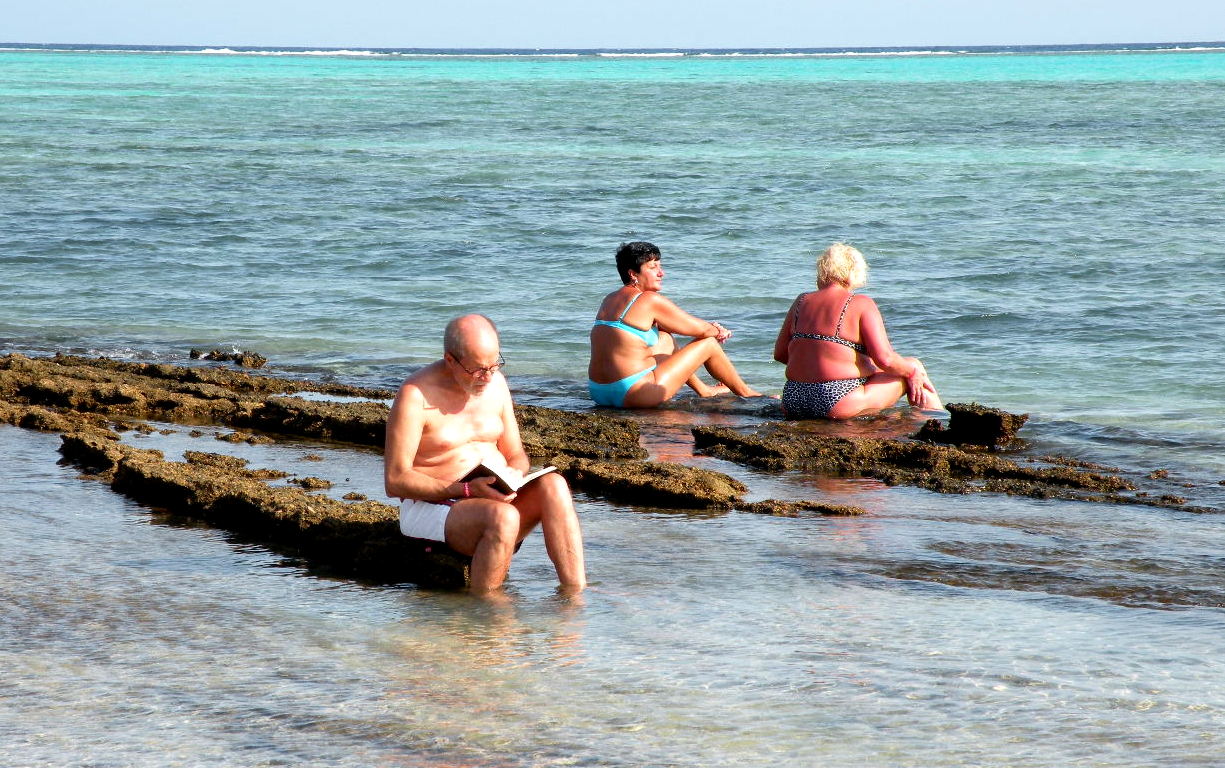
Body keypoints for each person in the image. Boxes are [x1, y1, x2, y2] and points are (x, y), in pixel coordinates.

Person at [384, 314, 586, 593]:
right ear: (451, 360)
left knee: (554, 485)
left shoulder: (496, 383)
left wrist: (514, 474)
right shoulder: (415, 395)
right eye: (478, 369)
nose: (488, 376)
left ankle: (575, 593)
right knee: (503, 517)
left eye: (494, 365)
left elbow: (515, 453)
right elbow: (395, 481)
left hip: (491, 498)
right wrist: (465, 489)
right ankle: (488, 617)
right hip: (431, 506)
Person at [773, 242, 942, 420]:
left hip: (793, 398)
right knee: (913, 367)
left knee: (892, 369)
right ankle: (937, 422)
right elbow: (886, 359)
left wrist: (819, 365)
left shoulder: (801, 301)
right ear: (854, 273)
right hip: (834, 400)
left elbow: (780, 354)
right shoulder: (861, 303)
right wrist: (912, 372)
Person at [588, 241, 762, 408]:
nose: (661, 273)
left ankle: (704, 390)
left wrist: (709, 329)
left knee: (664, 338)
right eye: (652, 267)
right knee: (708, 344)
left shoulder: (610, 299)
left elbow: (671, 327)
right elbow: (700, 330)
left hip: (599, 392)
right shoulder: (649, 300)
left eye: (659, 266)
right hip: (634, 393)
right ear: (633, 274)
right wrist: (717, 330)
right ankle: (746, 393)